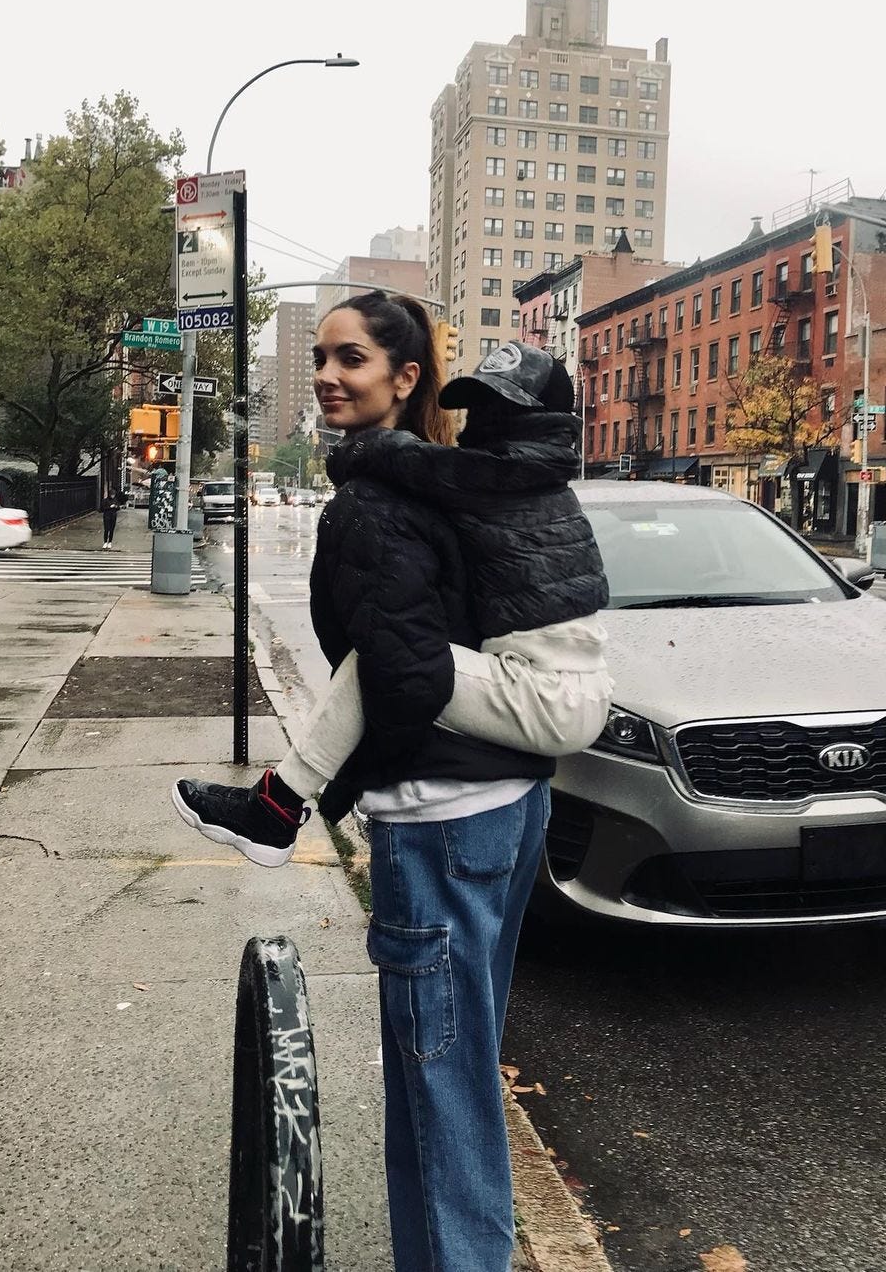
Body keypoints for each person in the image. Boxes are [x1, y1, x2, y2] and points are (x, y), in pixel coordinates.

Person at [175, 293, 605, 1271]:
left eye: (351, 358)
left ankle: (277, 807)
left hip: (444, 822)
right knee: (446, 1090)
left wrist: (348, 770)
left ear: (402, 378)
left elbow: (407, 669)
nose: (329, 375)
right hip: (510, 805)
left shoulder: (395, 494)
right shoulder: (478, 486)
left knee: (444, 1110)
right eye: (320, 357)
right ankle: (280, 806)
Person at [173, 339, 611, 864]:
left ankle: (278, 807)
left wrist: (364, 448)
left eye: (505, 407)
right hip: (557, 688)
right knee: (395, 654)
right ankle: (283, 802)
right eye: (481, 403)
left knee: (383, 660)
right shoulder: (524, 478)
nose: (485, 419)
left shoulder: (515, 476)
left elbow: (422, 464)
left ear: (543, 421)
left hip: (547, 696)